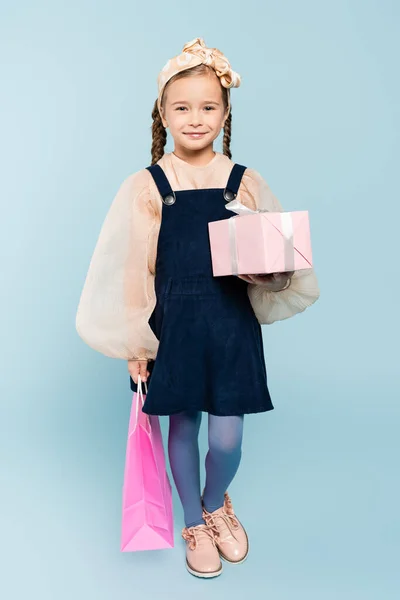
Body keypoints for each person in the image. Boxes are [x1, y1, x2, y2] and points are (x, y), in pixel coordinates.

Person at [76, 37, 320, 579]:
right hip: (175, 327)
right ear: (162, 114)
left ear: (225, 112)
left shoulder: (244, 183)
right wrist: (135, 346)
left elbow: (282, 266)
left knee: (228, 437)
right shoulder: (148, 187)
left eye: (208, 107)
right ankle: (194, 520)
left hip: (231, 325)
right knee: (183, 428)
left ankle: (215, 501)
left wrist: (271, 267)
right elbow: (129, 269)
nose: (195, 119)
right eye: (181, 108)